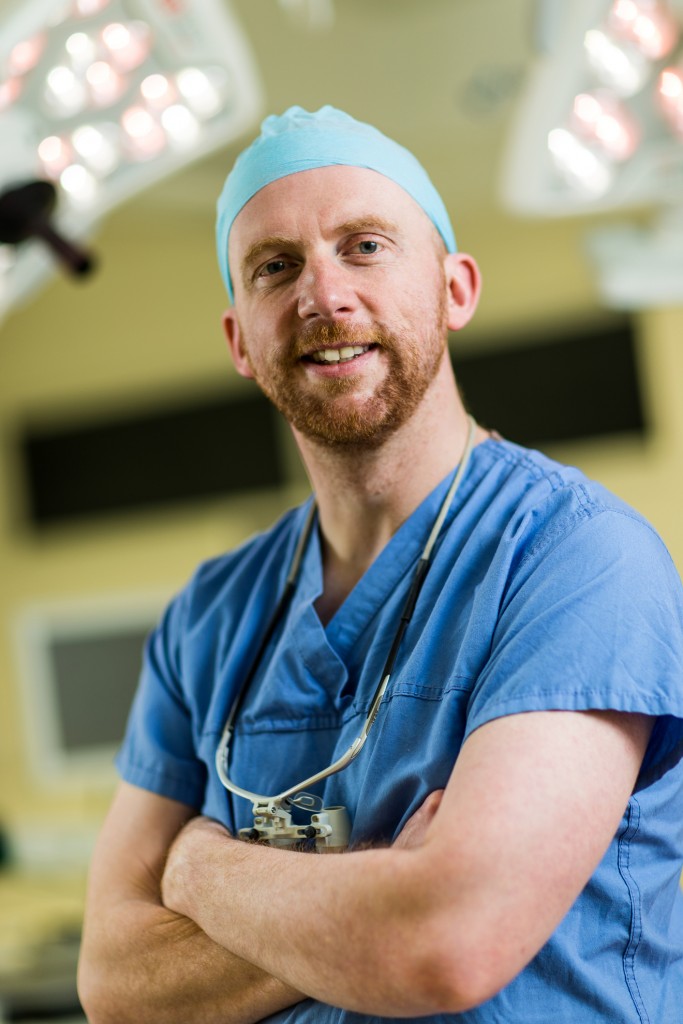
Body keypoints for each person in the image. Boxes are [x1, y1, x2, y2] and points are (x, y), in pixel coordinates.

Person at [77, 106, 683, 1024]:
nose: (323, 296)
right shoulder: (206, 617)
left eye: (364, 246)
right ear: (240, 338)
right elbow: (117, 986)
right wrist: (381, 891)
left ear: (455, 288)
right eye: (274, 267)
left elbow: (444, 943)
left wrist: (201, 870)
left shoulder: (575, 556)